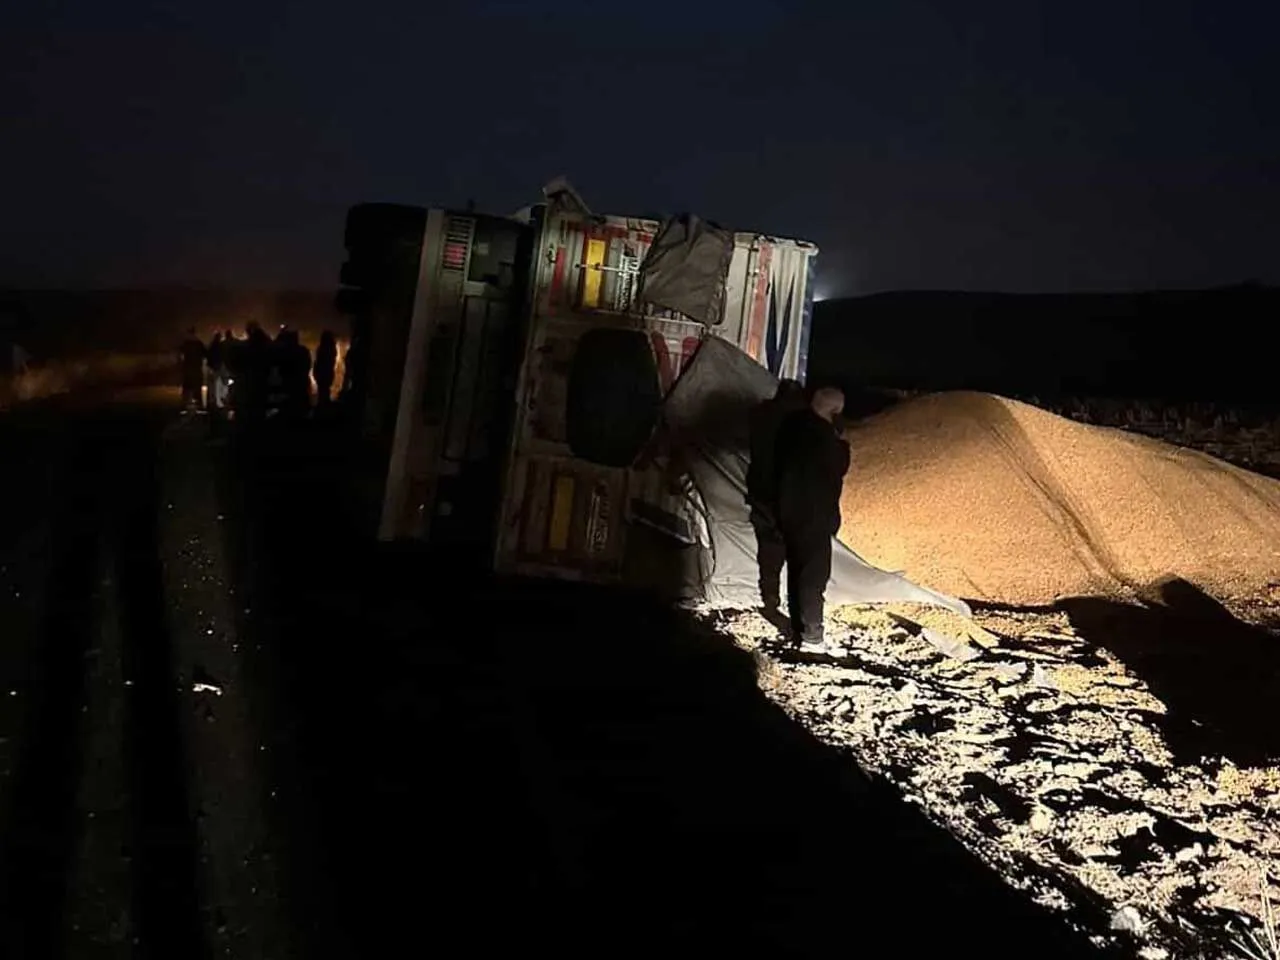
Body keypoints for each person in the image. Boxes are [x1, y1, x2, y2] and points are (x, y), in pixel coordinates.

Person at [774, 385, 850, 651]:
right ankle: (812, 638)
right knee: (814, 577)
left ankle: (798, 627)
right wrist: (840, 440)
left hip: (788, 512)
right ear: (833, 411)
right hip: (813, 515)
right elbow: (837, 469)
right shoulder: (824, 440)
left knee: (796, 570)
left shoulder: (791, 428)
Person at [745, 379, 807, 617]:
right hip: (792, 492)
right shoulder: (802, 420)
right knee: (796, 547)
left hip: (761, 488)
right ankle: (796, 602)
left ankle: (770, 593)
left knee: (768, 545)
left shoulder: (759, 414)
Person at [179, 328, 206, 411]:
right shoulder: (199, 343)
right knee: (197, 387)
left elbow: (181, 355)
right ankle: (199, 404)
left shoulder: (185, 343)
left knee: (187, 387)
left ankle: (185, 404)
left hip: (188, 368)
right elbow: (204, 354)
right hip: (197, 368)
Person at [314, 330, 338, 408]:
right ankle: (324, 406)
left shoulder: (322, 349)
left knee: (322, 391)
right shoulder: (331, 349)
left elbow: (318, 362)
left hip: (322, 373)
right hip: (326, 373)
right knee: (324, 390)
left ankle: (322, 406)